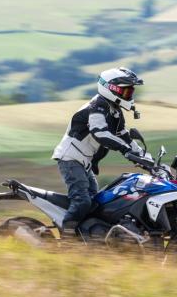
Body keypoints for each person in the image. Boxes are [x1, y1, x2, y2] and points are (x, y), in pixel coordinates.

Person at [52, 67, 147, 235]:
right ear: (112, 89)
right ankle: (67, 237)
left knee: (96, 203)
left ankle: (88, 236)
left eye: (130, 91)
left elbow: (124, 136)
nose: (129, 95)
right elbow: (100, 133)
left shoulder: (114, 111)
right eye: (126, 90)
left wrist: (144, 156)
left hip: (84, 162)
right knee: (82, 201)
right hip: (70, 159)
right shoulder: (97, 106)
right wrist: (126, 151)